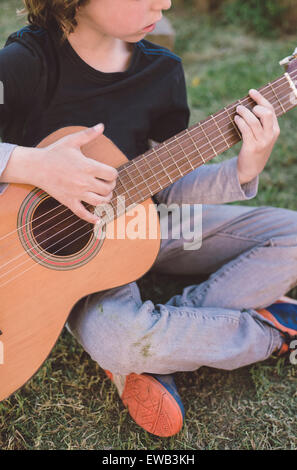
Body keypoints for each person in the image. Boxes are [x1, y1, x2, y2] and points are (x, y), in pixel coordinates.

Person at [0, 0, 297, 438]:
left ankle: (160, 346)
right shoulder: (24, 64)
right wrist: (32, 166)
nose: (164, 3)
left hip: (143, 226)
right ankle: (272, 330)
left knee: (290, 235)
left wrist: (242, 171)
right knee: (119, 340)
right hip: (57, 270)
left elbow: (162, 183)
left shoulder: (162, 73)